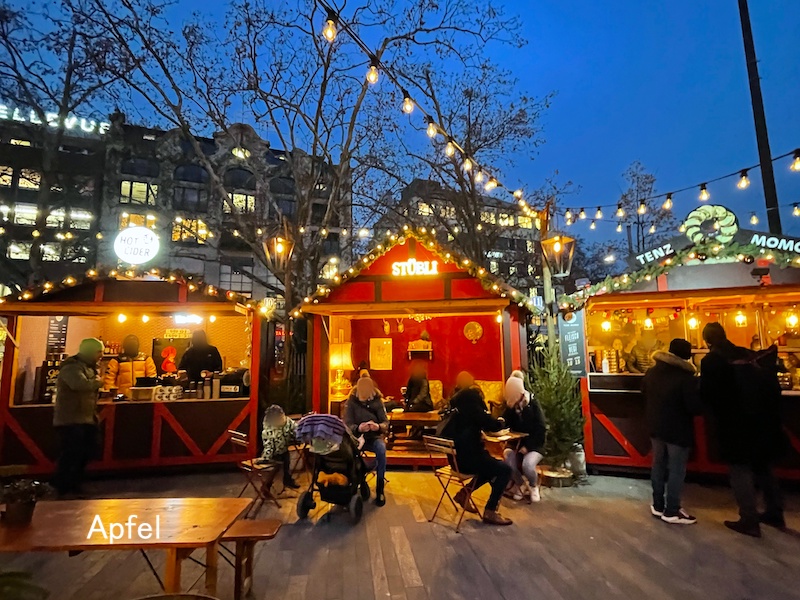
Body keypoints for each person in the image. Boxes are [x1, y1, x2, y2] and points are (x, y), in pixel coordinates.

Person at [700, 322, 789, 537]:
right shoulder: (745, 353)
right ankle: (775, 512)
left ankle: (749, 518)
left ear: (707, 340)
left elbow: (708, 394)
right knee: (764, 467)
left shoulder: (711, 361)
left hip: (734, 423)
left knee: (740, 470)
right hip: (761, 421)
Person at [642, 338, 702, 525]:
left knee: (658, 465)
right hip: (678, 430)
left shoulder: (652, 372)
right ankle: (672, 510)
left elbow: (643, 393)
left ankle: (658, 505)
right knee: (676, 469)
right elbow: (694, 407)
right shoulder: (685, 378)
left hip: (656, 427)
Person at [444, 386, 513, 525]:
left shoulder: (455, 414)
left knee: (489, 466)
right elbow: (493, 425)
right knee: (505, 470)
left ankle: (464, 494)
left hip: (455, 463)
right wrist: (502, 421)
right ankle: (490, 511)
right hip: (468, 462)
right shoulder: (473, 411)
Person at [52, 338, 104, 498]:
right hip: (70, 419)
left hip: (86, 418)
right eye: (99, 352)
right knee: (71, 454)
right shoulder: (71, 367)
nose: (101, 356)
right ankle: (62, 487)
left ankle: (75, 484)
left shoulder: (88, 367)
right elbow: (78, 384)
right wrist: (98, 382)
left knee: (85, 452)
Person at [502, 373, 547, 503]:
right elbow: (504, 422)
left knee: (527, 465)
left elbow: (541, 428)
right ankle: (520, 484)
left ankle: (533, 486)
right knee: (508, 461)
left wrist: (528, 446)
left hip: (534, 445)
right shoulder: (511, 405)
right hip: (516, 444)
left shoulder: (532, 404)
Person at [344, 377, 388, 506]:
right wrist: (358, 428)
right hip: (356, 438)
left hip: (373, 437)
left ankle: (380, 489)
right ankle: (356, 482)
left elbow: (385, 423)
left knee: (381, 450)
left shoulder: (377, 401)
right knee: (347, 453)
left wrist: (378, 426)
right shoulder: (351, 402)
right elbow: (347, 424)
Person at [259, 404, 300, 489]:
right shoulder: (268, 429)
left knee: (286, 460)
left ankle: (287, 479)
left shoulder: (288, 422)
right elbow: (268, 444)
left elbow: (296, 428)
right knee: (278, 464)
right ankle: (267, 485)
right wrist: (266, 457)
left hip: (284, 448)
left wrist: (298, 436)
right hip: (273, 452)